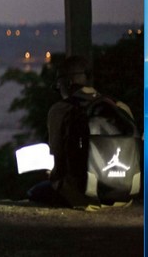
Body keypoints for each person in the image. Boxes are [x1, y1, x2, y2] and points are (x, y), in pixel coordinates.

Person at [28, 55, 136, 207]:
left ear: (67, 82)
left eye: (58, 86)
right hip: (125, 196)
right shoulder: (120, 107)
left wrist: (51, 173)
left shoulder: (61, 109)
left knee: (34, 192)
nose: (59, 90)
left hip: (82, 196)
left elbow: (57, 156)